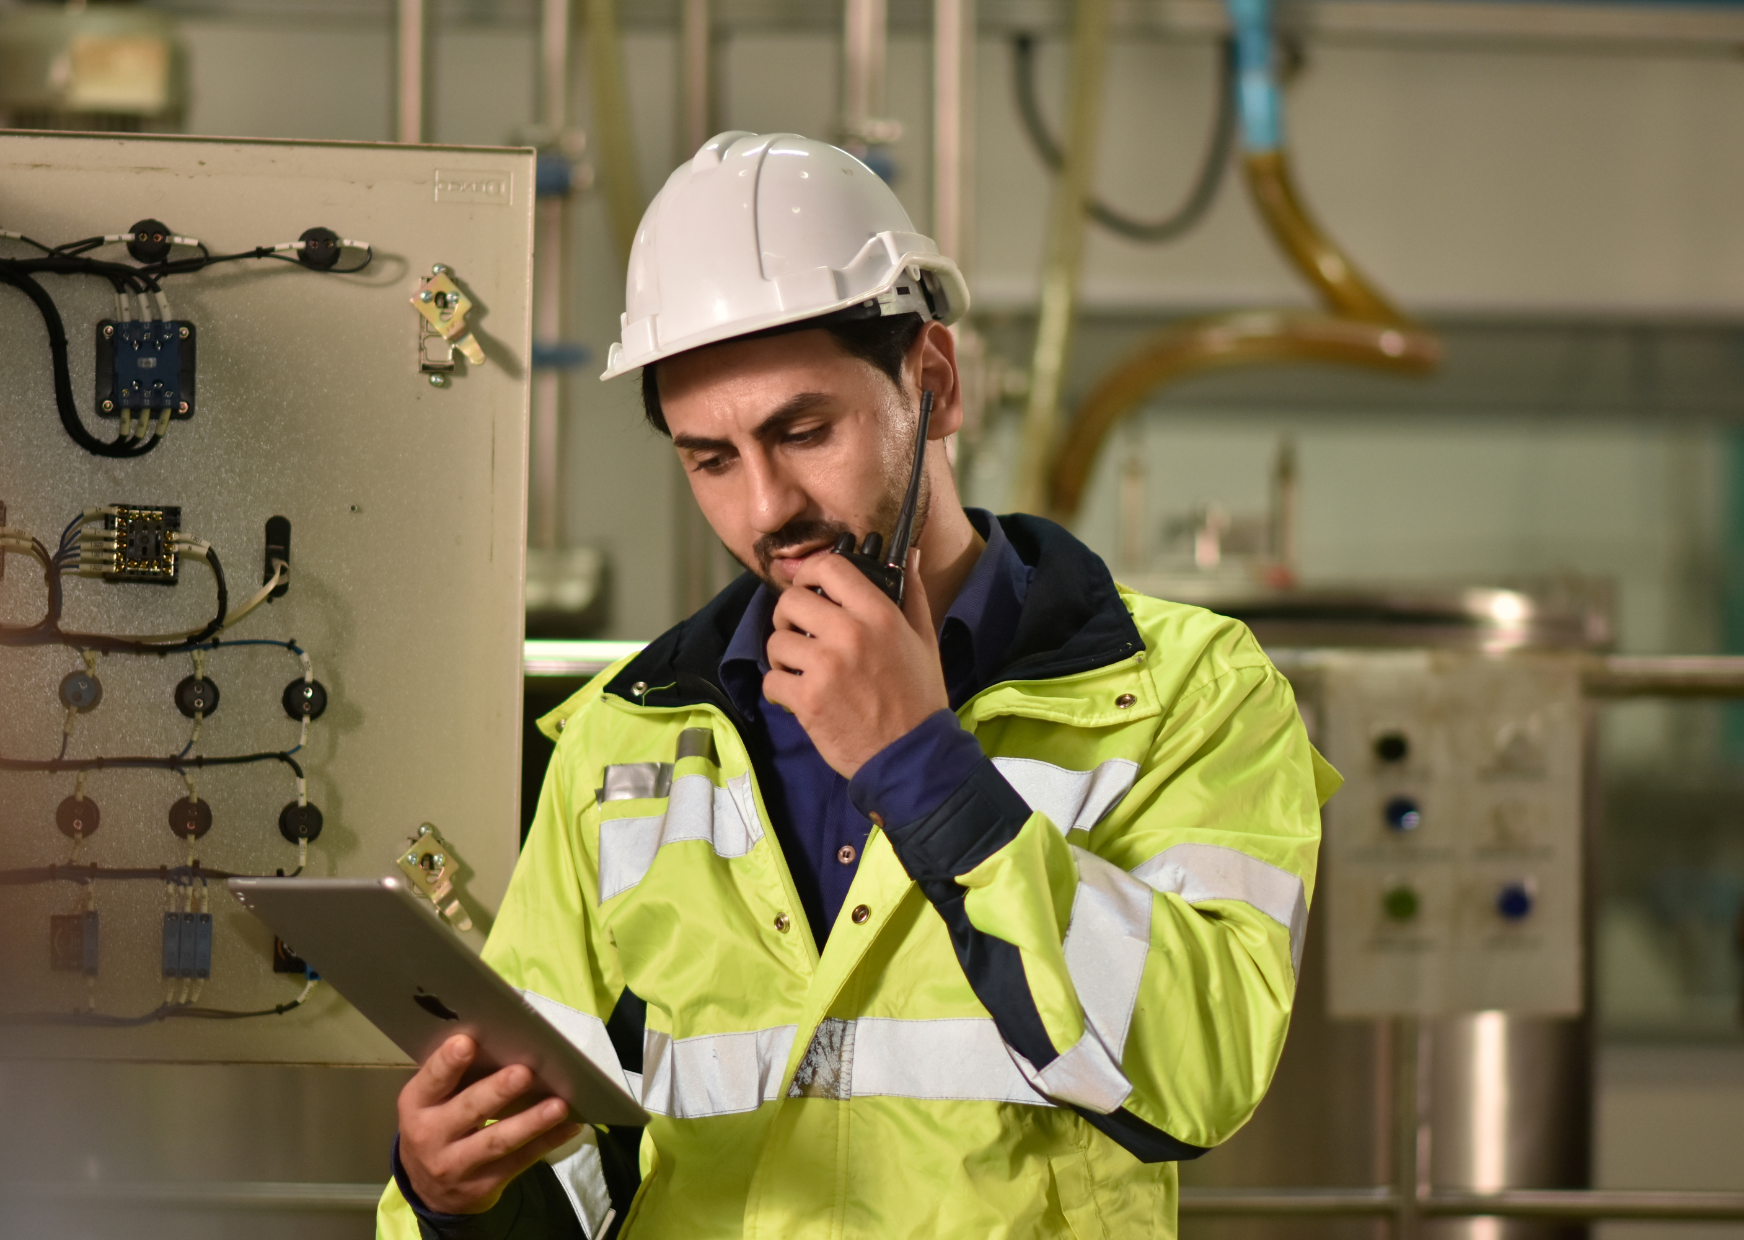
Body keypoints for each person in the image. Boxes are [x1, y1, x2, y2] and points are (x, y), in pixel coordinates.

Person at [378, 131, 1338, 1240]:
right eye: (710, 458)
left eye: (802, 430)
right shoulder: (622, 744)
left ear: (931, 380)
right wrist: (450, 1193)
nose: (764, 507)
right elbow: (578, 1166)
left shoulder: (1187, 693)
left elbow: (1199, 1073)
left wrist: (923, 768)